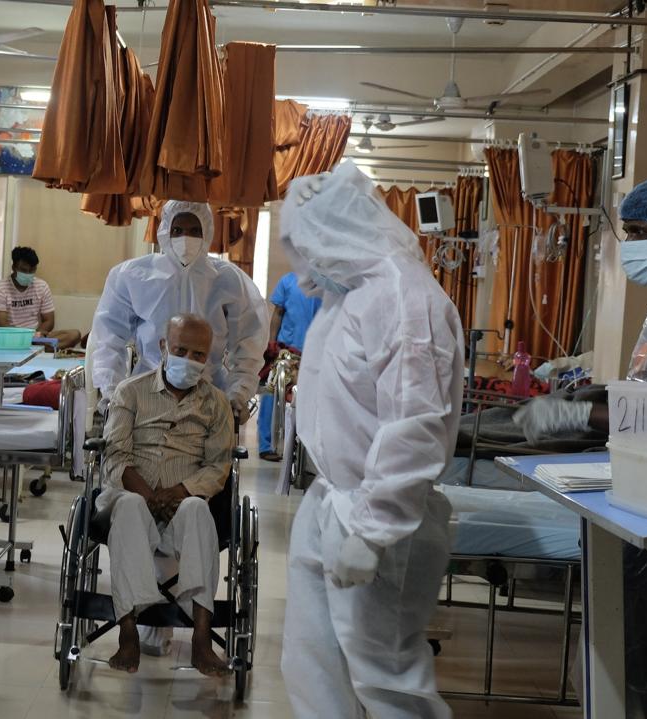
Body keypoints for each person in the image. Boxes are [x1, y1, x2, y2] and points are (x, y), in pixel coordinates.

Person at [278, 161, 463, 719]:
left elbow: (415, 425)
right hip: (331, 499)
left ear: (335, 232)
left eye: (301, 243)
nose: (299, 262)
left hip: (379, 516)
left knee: (385, 679)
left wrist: (373, 529)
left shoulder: (405, 300)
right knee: (313, 664)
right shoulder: (349, 297)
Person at [513, 176, 647, 719]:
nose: (632, 244)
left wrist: (580, 414)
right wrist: (589, 397)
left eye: (641, 232)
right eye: (627, 231)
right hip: (640, 494)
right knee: (633, 649)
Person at [98, 314, 234, 677]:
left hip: (182, 502)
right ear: (163, 347)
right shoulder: (131, 391)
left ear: (208, 358)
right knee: (127, 506)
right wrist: (146, 494)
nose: (189, 360)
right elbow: (115, 454)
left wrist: (177, 491)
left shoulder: (215, 404)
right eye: (181, 350)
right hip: (132, 496)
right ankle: (128, 632)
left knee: (196, 510)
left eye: (198, 354)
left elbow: (219, 465)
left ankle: (202, 640)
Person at [90, 201, 269, 419]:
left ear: (207, 232)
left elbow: (249, 343)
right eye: (177, 230)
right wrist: (111, 392)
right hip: (146, 394)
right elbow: (108, 338)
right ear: (165, 231)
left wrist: (237, 394)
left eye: (195, 231)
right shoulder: (134, 276)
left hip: (209, 398)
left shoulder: (228, 280)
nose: (186, 238)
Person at [258, 272, 321, 461]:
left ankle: (301, 448)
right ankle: (266, 445)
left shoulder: (328, 282)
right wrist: (271, 343)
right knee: (272, 395)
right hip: (287, 349)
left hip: (315, 351)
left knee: (309, 402)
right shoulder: (287, 280)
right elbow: (277, 313)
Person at [0, 246, 81, 350]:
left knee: (74, 335)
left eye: (32, 270)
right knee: (8, 340)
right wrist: (24, 338)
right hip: (11, 338)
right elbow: (2, 325)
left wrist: (37, 334)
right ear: (14, 267)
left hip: (36, 337)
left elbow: (49, 321)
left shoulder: (41, 286)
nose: (28, 274)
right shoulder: (0, 289)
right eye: (24, 270)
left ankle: (33, 348)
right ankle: (36, 349)